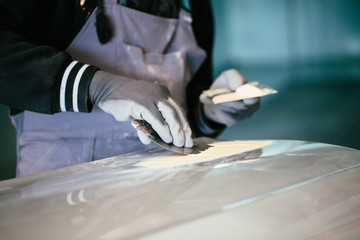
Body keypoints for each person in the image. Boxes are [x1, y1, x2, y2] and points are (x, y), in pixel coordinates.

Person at [0, 0, 260, 177]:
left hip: (167, 195)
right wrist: (98, 86)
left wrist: (209, 112)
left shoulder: (195, 5)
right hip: (61, 199)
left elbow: (186, 110)